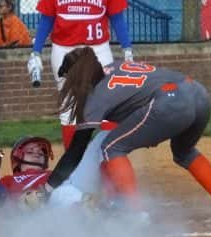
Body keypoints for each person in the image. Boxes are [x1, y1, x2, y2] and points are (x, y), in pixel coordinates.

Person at [35, 47, 211, 222]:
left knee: (111, 147)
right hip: (198, 93)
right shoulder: (113, 67)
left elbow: (76, 150)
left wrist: (47, 189)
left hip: (170, 101)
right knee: (184, 151)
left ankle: (134, 215)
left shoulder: (96, 97)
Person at [26, 0, 133, 149]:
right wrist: (36, 51)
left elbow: (117, 17)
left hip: (98, 48)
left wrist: (127, 49)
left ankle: (110, 157)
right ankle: (73, 161)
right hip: (64, 50)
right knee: (69, 106)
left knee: (108, 102)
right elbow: (47, 19)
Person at [0, 136, 53, 205]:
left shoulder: (53, 174)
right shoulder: (9, 180)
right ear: (17, 158)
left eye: (41, 153)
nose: (37, 154)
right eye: (30, 152)